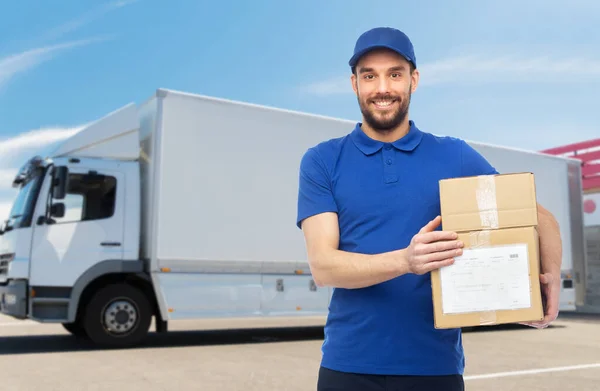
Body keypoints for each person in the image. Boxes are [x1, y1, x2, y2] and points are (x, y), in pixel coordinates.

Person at [296, 27, 563, 391]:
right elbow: (324, 266)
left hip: (434, 369)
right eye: (369, 76)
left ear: (414, 80)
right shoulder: (323, 161)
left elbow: (540, 219)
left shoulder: (453, 155)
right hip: (348, 366)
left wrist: (546, 285)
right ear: (354, 84)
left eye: (395, 74)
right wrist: (406, 261)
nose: (382, 88)